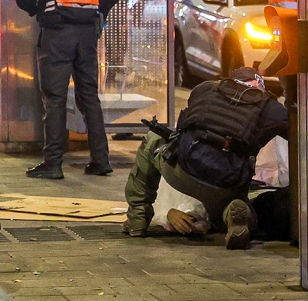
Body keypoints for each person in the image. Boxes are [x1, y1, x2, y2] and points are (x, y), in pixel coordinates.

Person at [14, 0, 128, 180]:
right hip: (87, 31)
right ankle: (101, 161)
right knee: (89, 95)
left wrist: (41, 7)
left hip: (56, 33)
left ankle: (53, 164)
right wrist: (99, 8)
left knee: (54, 98)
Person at [123, 68, 288, 249]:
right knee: (229, 209)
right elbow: (299, 133)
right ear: (261, 88)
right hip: (226, 183)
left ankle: (137, 219)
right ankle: (230, 214)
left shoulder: (205, 88)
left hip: (183, 171)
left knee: (153, 139)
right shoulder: (271, 108)